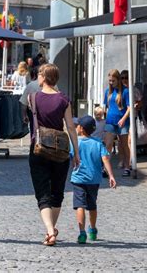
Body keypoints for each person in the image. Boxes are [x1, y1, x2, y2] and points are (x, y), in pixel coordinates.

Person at [28, 63, 80, 247]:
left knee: (42, 192)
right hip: (60, 150)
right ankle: (51, 230)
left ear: (43, 77)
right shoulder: (64, 100)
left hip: (39, 148)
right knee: (57, 193)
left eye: (39, 74)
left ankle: (50, 231)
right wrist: (77, 152)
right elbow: (71, 127)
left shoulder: (32, 98)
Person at [70, 115, 117, 244]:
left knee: (80, 205)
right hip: (94, 180)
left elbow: (69, 157)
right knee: (92, 206)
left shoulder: (75, 142)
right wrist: (111, 175)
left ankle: (82, 232)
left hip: (78, 178)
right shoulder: (98, 143)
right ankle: (93, 229)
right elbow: (105, 159)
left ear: (81, 128)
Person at [103, 69, 131, 177]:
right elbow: (105, 107)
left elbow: (129, 108)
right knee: (108, 144)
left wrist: (123, 119)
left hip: (122, 122)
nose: (111, 83)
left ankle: (127, 167)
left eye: (113, 81)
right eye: (109, 81)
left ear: (118, 80)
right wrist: (103, 116)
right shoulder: (108, 91)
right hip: (110, 121)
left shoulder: (125, 91)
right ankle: (106, 168)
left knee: (124, 145)